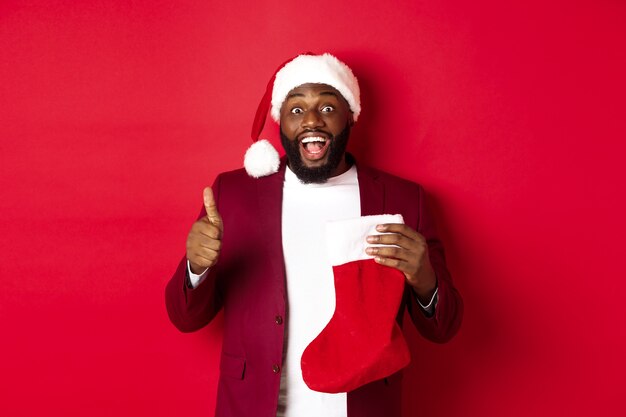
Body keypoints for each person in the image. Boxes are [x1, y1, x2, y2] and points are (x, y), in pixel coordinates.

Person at [165, 53, 463, 417]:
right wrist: (197, 268)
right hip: (255, 406)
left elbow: (444, 328)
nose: (310, 120)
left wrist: (424, 278)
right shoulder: (234, 193)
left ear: (349, 115)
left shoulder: (404, 199)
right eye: (296, 109)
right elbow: (185, 318)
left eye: (326, 107)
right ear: (281, 122)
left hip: (363, 405)